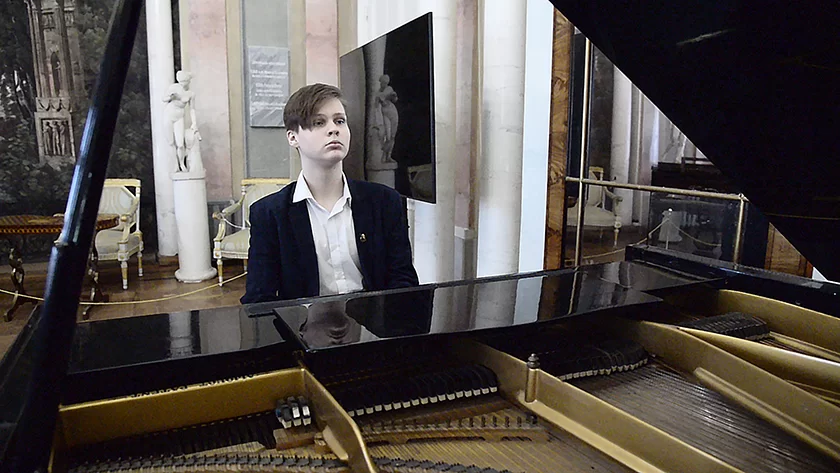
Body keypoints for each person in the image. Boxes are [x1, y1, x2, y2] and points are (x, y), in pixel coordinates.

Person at [241, 83, 418, 303]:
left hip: (373, 321)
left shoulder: (385, 201)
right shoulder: (269, 214)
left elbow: (403, 281)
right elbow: (258, 299)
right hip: (304, 321)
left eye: (340, 121)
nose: (334, 129)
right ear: (293, 137)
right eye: (319, 122)